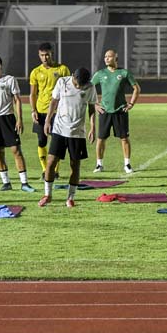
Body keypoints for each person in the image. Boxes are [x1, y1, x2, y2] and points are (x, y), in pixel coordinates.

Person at [37, 67, 97, 208]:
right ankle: (47, 195)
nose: (78, 86)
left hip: (77, 132)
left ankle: (70, 197)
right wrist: (47, 121)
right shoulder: (62, 82)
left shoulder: (90, 87)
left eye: (81, 85)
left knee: (75, 166)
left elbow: (92, 108)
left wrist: (93, 128)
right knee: (51, 163)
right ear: (72, 76)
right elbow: (54, 102)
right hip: (59, 129)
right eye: (76, 83)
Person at [0, 55, 35, 193]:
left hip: (8, 119)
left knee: (16, 150)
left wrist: (20, 119)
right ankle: (6, 182)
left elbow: (17, 100)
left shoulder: (10, 80)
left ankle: (24, 183)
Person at [91, 49, 141, 174]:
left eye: (109, 56)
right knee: (101, 139)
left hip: (120, 111)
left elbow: (136, 88)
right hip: (105, 111)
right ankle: (99, 164)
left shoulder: (124, 73)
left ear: (115, 58)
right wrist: (96, 104)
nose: (106, 58)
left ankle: (127, 164)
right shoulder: (100, 74)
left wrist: (131, 104)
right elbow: (89, 88)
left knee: (124, 138)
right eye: (105, 56)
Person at [29, 42, 70, 177]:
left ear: (52, 53)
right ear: (39, 55)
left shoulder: (63, 69)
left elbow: (68, 90)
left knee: (56, 142)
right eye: (42, 55)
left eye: (47, 54)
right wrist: (33, 110)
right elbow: (33, 94)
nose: (45, 58)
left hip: (58, 112)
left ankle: (55, 171)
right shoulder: (35, 72)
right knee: (42, 141)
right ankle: (44, 169)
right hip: (41, 111)